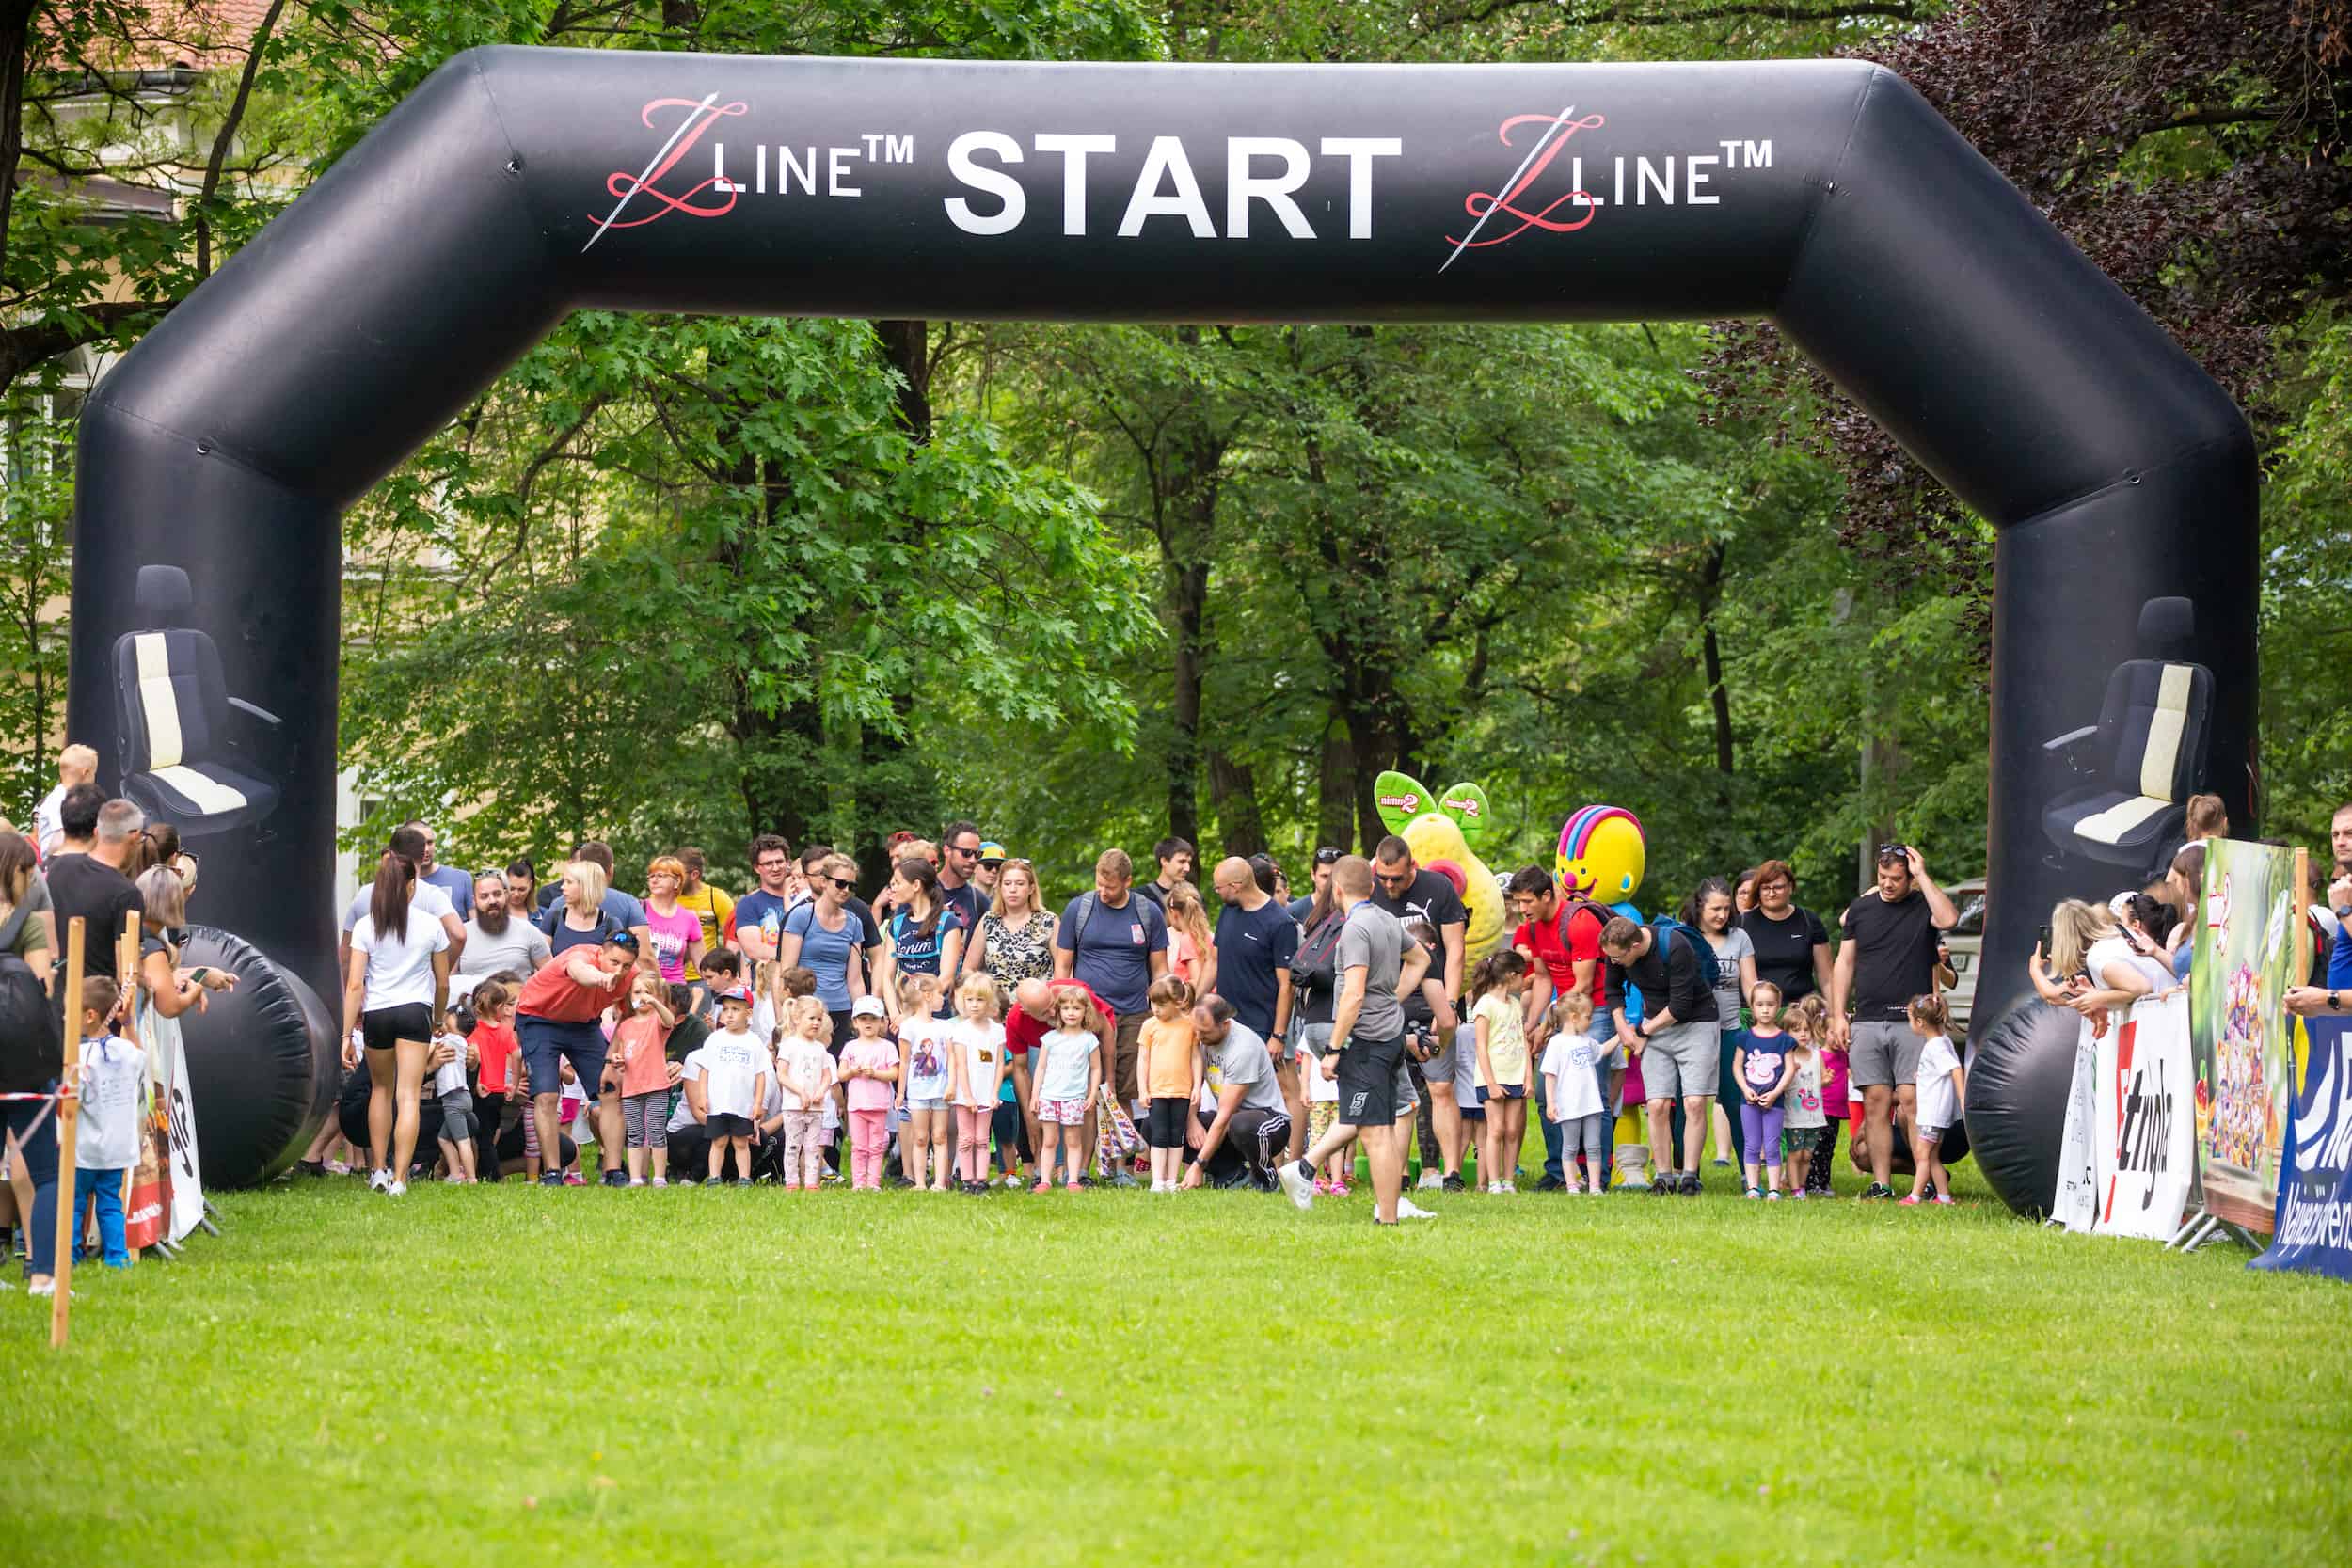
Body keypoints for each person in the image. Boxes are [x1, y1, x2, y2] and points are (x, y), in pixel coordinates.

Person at [1276, 856, 1424, 1225]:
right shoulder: (1387, 921)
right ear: (1372, 887)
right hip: (1388, 1036)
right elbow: (1420, 959)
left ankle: (1384, 1217)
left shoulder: (1355, 928)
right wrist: (1393, 997)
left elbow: (1353, 993)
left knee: (1376, 1133)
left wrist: (1334, 1049)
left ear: (1336, 890)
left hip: (1365, 1042)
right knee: (1381, 1129)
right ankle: (1383, 1215)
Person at [1830, 845, 1959, 1201]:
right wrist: (1839, 1014)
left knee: (1912, 1100)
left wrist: (1922, 875)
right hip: (1868, 1018)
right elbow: (1844, 963)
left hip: (1913, 1022)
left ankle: (1925, 1183)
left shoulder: (1923, 907)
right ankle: (1882, 1184)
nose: (1888, 884)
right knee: (1875, 1099)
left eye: (1896, 879)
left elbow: (1949, 919)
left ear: (1909, 878)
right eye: (1882, 877)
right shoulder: (1861, 909)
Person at [1054, 848, 1168, 1183]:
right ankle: (1082, 1169)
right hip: (1086, 1014)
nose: (1104, 892)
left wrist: (1161, 1009)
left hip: (1133, 1012)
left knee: (1125, 1093)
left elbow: (1159, 969)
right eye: (1100, 884)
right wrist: (1065, 1006)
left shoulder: (1148, 913)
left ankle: (1122, 1169)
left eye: (1112, 887)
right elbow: (1063, 965)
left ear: (1128, 882)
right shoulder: (1080, 909)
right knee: (1087, 1090)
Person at [343, 848, 453, 1196]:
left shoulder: (365, 925)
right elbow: (443, 981)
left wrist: (346, 1034)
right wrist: (438, 1019)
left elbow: (355, 984)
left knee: (380, 1090)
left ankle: (377, 1169)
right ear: (412, 884)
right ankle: (400, 1179)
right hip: (414, 1013)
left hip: (377, 1014)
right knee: (408, 1095)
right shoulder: (430, 924)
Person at [1508, 864, 1622, 1192]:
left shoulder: (1579, 922)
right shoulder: (1531, 929)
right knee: (1547, 1092)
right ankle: (1560, 1170)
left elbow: (1583, 985)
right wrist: (1531, 1024)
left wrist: (1548, 1024)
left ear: (1548, 895)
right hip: (1562, 1010)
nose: (1522, 909)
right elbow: (1544, 977)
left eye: (1528, 901)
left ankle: (1596, 1173)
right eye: (1518, 902)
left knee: (1593, 1093)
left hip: (1593, 1011)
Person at [1600, 913, 1720, 1196]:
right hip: (1654, 1026)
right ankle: (1664, 1177)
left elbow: (1680, 1006)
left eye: (1618, 958)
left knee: (1693, 1102)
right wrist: (1623, 1027)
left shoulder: (1675, 946)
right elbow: (1612, 991)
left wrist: (1642, 1032)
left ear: (1635, 946)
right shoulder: (1614, 949)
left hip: (1696, 1023)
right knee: (1656, 1105)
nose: (1613, 962)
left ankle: (1690, 1176)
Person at [513, 924, 639, 1187]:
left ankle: (613, 1170)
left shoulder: (630, 976)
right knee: (546, 1095)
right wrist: (601, 979)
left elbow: (626, 1016)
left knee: (610, 1091)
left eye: (626, 965)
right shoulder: (580, 956)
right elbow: (580, 972)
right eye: (614, 962)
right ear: (601, 954)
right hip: (539, 1019)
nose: (620, 970)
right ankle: (552, 1173)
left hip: (583, 1024)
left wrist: (610, 1056)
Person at [1181, 995, 1293, 1190]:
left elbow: (1225, 1115)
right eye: (1196, 1030)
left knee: (1240, 1124)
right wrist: (1191, 1121)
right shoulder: (1201, 1039)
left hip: (1268, 1123)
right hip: (1231, 1123)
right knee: (1163, 1123)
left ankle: (1266, 1178)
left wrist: (1199, 1165)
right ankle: (1230, 1174)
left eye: (1205, 1033)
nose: (1199, 1038)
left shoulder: (1243, 1047)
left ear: (1225, 1024)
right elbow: (1191, 1086)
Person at [43, 786, 145, 984]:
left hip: (54, 1001)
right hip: (99, 1007)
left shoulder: (60, 867)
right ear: (134, 837)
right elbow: (126, 974)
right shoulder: (127, 894)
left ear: (97, 831)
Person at [1690, 877, 1757, 1168]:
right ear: (1700, 906)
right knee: (1690, 1103)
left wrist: (1762, 1018)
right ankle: (1683, 1172)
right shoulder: (1686, 937)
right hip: (1692, 1031)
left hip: (1729, 1027)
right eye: (1715, 908)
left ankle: (1748, 1171)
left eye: (1727, 909)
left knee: (1734, 1098)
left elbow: (1750, 984)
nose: (1722, 915)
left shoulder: (1739, 938)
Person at [69, 977, 136, 1268]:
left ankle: (69, 1254)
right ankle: (117, 1258)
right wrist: (129, 1024)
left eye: (70, 1010)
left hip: (83, 1149)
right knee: (110, 1204)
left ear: (90, 1015)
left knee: (73, 1204)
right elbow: (141, 1057)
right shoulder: (126, 1051)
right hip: (116, 1149)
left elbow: (73, 1100)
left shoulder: (79, 1056)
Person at [342, 824, 467, 979]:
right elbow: (458, 934)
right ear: (423, 855)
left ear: (391, 854)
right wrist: (436, 977)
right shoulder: (433, 896)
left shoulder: (366, 894)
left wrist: (350, 995)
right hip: (418, 993)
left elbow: (346, 954)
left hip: (374, 993)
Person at [776, 851, 871, 1046]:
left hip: (841, 1009)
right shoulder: (801, 916)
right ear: (824, 881)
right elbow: (787, 972)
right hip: (806, 1011)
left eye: (851, 886)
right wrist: (786, 1016)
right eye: (840, 883)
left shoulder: (854, 923)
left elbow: (854, 980)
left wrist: (863, 1014)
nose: (845, 890)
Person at [682, 988, 768, 1187]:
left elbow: (760, 1075)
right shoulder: (715, 1039)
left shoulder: (754, 1042)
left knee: (741, 1142)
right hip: (718, 1103)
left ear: (748, 1013)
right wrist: (702, 1096)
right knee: (718, 1141)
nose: (729, 1014)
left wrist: (758, 1103)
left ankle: (744, 1177)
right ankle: (714, 1176)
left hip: (742, 1104)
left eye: (736, 1009)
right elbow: (705, 1070)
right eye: (726, 1009)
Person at [2030, 898, 2169, 1018]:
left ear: (2064, 940)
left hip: (2164, 1015)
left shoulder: (2099, 955)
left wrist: (2098, 998)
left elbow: (2142, 988)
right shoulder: (2118, 935)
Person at [873, 857, 966, 1024]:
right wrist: (895, 1015)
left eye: (897, 883)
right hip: (904, 1018)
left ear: (916, 885)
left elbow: (946, 978)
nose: (892, 889)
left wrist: (915, 1012)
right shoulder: (897, 924)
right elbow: (887, 976)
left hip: (940, 1017)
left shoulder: (947, 923)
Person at [608, 971, 678, 1186]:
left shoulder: (657, 1020)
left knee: (656, 1130)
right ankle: (636, 1177)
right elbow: (620, 1053)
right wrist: (617, 1060)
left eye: (648, 991)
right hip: (631, 1087)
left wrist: (655, 1003)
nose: (642, 996)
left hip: (656, 1085)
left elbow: (670, 1020)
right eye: (637, 992)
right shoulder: (626, 1026)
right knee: (635, 1133)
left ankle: (658, 1176)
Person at [1470, 950, 1532, 1194]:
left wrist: (1528, 1076)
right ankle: (1493, 1181)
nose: (1523, 981)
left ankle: (1509, 1180)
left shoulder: (1515, 1004)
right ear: (1510, 975)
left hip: (1515, 1074)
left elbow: (1523, 1042)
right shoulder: (1485, 1004)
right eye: (1521, 976)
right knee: (1495, 1129)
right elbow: (1481, 1047)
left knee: (1513, 1129)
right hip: (1492, 1077)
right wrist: (1491, 1083)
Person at [1029, 986, 1102, 1192]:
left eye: (1076, 1008)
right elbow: (1040, 1068)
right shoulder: (1050, 1039)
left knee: (1073, 1140)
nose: (1071, 1013)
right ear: (1059, 1011)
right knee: (1050, 1140)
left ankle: (1073, 1180)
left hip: (1074, 1098)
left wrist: (1092, 1093)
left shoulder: (1089, 1040)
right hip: (1049, 1096)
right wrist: (1035, 1095)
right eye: (1067, 1008)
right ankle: (1045, 1180)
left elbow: (1096, 1068)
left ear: (1085, 1011)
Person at [532, 840, 650, 962]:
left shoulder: (611, 924)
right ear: (611, 869)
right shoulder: (554, 917)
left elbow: (622, 962)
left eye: (569, 882)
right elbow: (541, 965)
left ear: (586, 885)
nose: (562, 887)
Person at [1538, 990, 1608, 1194]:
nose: (1591, 1021)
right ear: (1573, 1017)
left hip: (1591, 1104)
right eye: (1588, 1017)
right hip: (1569, 1105)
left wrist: (1623, 1036)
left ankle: (1595, 1185)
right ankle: (1572, 1185)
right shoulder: (1557, 1043)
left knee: (1594, 1146)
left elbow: (1601, 1051)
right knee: (1570, 1147)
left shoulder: (1586, 1040)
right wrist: (1551, 1102)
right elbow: (1549, 1074)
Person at [945, 971, 1008, 1195]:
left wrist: (994, 1093)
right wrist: (968, 1095)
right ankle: (966, 1178)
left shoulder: (997, 1031)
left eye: (980, 1000)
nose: (974, 1005)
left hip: (986, 1095)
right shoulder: (960, 1030)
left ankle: (981, 1179)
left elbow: (999, 1064)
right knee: (966, 1138)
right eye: (969, 1000)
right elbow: (960, 1064)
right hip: (965, 1094)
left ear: (989, 1002)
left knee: (982, 1139)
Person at [1136, 974, 1200, 1191]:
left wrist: (1196, 1087)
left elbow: (1195, 1057)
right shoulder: (1149, 1026)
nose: (1156, 1009)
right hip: (1157, 1090)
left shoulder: (1189, 1026)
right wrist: (1143, 1089)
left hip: (1181, 1090)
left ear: (1178, 1002)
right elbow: (1143, 1059)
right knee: (1159, 1134)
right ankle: (1158, 1180)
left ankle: (1172, 1180)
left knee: (1176, 1135)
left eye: (1162, 1005)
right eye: (1153, 1003)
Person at [1739, 861, 1831, 1007]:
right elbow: (1747, 982)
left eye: (1778, 887)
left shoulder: (1808, 920)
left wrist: (1835, 1013)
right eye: (1766, 888)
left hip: (1802, 1013)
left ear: (1790, 887)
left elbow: (1826, 978)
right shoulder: (1743, 924)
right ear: (1758, 891)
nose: (1771, 893)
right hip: (1758, 1013)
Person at [1732, 980, 1793, 1200]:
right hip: (1748, 1101)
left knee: (1772, 1144)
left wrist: (1776, 1092)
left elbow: (1789, 1069)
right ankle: (1753, 1187)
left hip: (1774, 1101)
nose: (1765, 1009)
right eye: (1760, 1004)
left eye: (1770, 1004)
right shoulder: (1745, 1038)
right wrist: (1745, 1089)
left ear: (1778, 1006)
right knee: (1752, 1144)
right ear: (1752, 1007)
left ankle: (1774, 1188)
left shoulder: (1784, 1039)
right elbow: (1737, 1067)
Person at [1903, 992, 1963, 1206]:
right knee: (1932, 1156)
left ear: (1920, 1022)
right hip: (1937, 1113)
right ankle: (1944, 1197)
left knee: (1922, 1155)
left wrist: (1962, 1098)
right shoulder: (1943, 1041)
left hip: (1933, 1114)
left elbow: (1955, 1070)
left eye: (1910, 1019)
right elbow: (1943, 1071)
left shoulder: (1935, 1046)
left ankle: (1915, 1196)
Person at [896, 971, 953, 1191]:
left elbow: (950, 1059)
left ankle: (939, 1181)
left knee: (939, 1136)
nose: (943, 999)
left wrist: (951, 1084)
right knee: (920, 1137)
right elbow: (905, 1062)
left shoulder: (944, 1026)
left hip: (940, 1091)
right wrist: (901, 1093)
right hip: (918, 1092)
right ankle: (919, 1182)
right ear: (927, 995)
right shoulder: (908, 1026)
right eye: (940, 994)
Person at [775, 996, 838, 1190]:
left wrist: (820, 1091)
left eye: (819, 1019)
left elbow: (827, 1076)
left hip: (816, 1107)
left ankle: (812, 1181)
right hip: (794, 1106)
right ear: (797, 1019)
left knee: (813, 1147)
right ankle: (792, 1181)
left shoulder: (820, 1049)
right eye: (811, 1018)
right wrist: (800, 1092)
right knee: (793, 1146)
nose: (816, 1023)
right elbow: (782, 1074)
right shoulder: (789, 1045)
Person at [836, 996, 900, 1190]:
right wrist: (853, 1071)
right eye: (863, 1019)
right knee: (858, 1146)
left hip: (879, 1105)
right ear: (855, 1022)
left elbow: (894, 1073)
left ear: (882, 1021)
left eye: (873, 1019)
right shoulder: (850, 1047)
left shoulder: (887, 1047)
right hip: (856, 1105)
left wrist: (875, 1073)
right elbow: (841, 1074)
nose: (868, 1023)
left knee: (876, 1146)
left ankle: (873, 1182)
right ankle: (858, 1182)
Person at [467, 978, 521, 1180]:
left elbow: (475, 1056)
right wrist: (513, 1084)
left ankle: (492, 1174)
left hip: (482, 1090)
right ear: (498, 1007)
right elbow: (516, 1055)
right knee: (490, 1134)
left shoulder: (473, 1030)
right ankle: (486, 1172)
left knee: (483, 1137)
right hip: (498, 1091)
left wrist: (478, 1081)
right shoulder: (505, 1031)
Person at [456, 868, 550, 980]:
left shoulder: (527, 930)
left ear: (506, 895)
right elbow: (448, 980)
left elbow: (551, 974)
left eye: (497, 894)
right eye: (484, 896)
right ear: (474, 901)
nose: (492, 901)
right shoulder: (461, 935)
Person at [1780, 996, 1828, 1197]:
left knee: (1807, 1154)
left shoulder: (1817, 1056)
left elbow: (1821, 1079)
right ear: (1787, 1033)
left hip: (1814, 1115)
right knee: (1795, 1152)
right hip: (1794, 1115)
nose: (1803, 1034)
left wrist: (1827, 1080)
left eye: (1806, 1030)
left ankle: (1801, 1185)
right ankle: (1795, 1188)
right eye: (1797, 1030)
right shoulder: (1787, 1057)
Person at [729, 834, 799, 963]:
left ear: (788, 863)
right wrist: (798, 957)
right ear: (757, 868)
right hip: (766, 979)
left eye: (779, 861)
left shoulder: (803, 899)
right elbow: (755, 951)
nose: (776, 868)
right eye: (768, 863)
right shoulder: (748, 904)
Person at [430, 1006, 479, 1184]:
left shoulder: (449, 1040)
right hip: (463, 1097)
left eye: (447, 1016)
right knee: (443, 1139)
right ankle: (455, 1174)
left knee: (463, 1141)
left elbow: (426, 1051)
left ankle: (470, 1178)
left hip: (453, 1099)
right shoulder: (461, 1042)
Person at [641, 856, 706, 989]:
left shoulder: (689, 917)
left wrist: (727, 983)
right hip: (644, 988)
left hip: (675, 992)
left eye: (661, 875)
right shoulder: (638, 909)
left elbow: (703, 966)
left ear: (677, 882)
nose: (654, 880)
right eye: (651, 876)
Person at [673, 847, 735, 984]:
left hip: (704, 978)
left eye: (677, 874)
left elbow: (733, 938)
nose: (672, 879)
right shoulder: (664, 896)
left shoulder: (716, 897)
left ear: (694, 875)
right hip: (669, 976)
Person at [1299, 1033, 1345, 1194]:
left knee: (1339, 1138)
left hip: (1341, 1093)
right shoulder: (1312, 1028)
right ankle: (1313, 1179)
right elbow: (1306, 1059)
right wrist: (1305, 1088)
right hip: (1319, 1094)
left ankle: (1337, 1181)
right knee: (1317, 1136)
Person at [34, 743, 98, 859]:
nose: (94, 779)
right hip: (55, 864)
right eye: (94, 774)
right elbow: (60, 836)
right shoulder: (57, 800)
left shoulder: (67, 798)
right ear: (85, 772)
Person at [403, 820, 474, 920]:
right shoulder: (398, 885)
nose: (426, 849)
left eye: (430, 842)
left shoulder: (462, 878)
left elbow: (475, 925)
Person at [1163, 884, 1217, 995]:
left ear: (1173, 913)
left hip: (1192, 1001)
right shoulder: (1210, 936)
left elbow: (1196, 981)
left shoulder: (1186, 939)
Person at [936, 820, 989, 933]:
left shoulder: (980, 902)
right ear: (947, 850)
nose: (973, 860)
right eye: (966, 853)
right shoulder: (920, 890)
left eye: (977, 854)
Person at [1135, 835, 1194, 910]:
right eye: (1182, 861)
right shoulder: (1140, 898)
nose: (1187, 868)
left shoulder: (1193, 898)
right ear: (1164, 861)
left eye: (1189, 863)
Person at [1288, 847, 1339, 923]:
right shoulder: (1295, 911)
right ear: (1313, 874)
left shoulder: (1349, 910)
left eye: (1334, 875)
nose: (1329, 882)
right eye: (1324, 876)